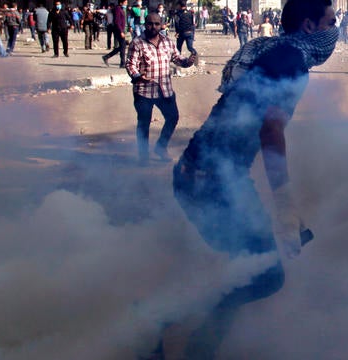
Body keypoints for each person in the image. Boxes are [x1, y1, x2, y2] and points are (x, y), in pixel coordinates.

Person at [141, 0, 337, 358]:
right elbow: (271, 129)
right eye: (331, 21)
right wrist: (285, 204)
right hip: (209, 179)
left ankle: (191, 342)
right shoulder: (291, 62)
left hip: (207, 174)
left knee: (249, 266)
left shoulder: (268, 50)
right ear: (309, 26)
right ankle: (160, 327)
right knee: (263, 272)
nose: (335, 31)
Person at [125, 13, 195, 166]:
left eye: (157, 24)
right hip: (144, 91)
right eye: (150, 24)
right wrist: (138, 76)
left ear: (161, 24)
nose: (153, 27)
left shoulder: (168, 42)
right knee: (144, 124)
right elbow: (130, 64)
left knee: (173, 118)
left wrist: (188, 62)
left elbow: (177, 58)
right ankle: (143, 157)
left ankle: (160, 147)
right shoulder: (137, 43)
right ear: (145, 24)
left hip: (165, 89)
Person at [101, 0, 127, 68]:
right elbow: (117, 21)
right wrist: (121, 31)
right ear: (121, 3)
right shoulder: (117, 9)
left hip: (121, 29)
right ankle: (122, 63)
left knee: (122, 46)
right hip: (118, 30)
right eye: (125, 2)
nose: (126, 4)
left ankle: (107, 57)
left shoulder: (121, 9)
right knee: (123, 46)